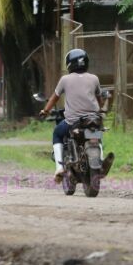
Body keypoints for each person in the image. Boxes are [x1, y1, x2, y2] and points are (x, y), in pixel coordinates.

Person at [39, 49, 104, 181]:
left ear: (69, 64)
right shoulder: (94, 78)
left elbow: (54, 98)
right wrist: (100, 109)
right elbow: (99, 100)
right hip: (94, 119)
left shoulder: (65, 79)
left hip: (73, 121)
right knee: (97, 133)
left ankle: (59, 167)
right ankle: (101, 157)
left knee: (57, 133)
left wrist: (45, 111)